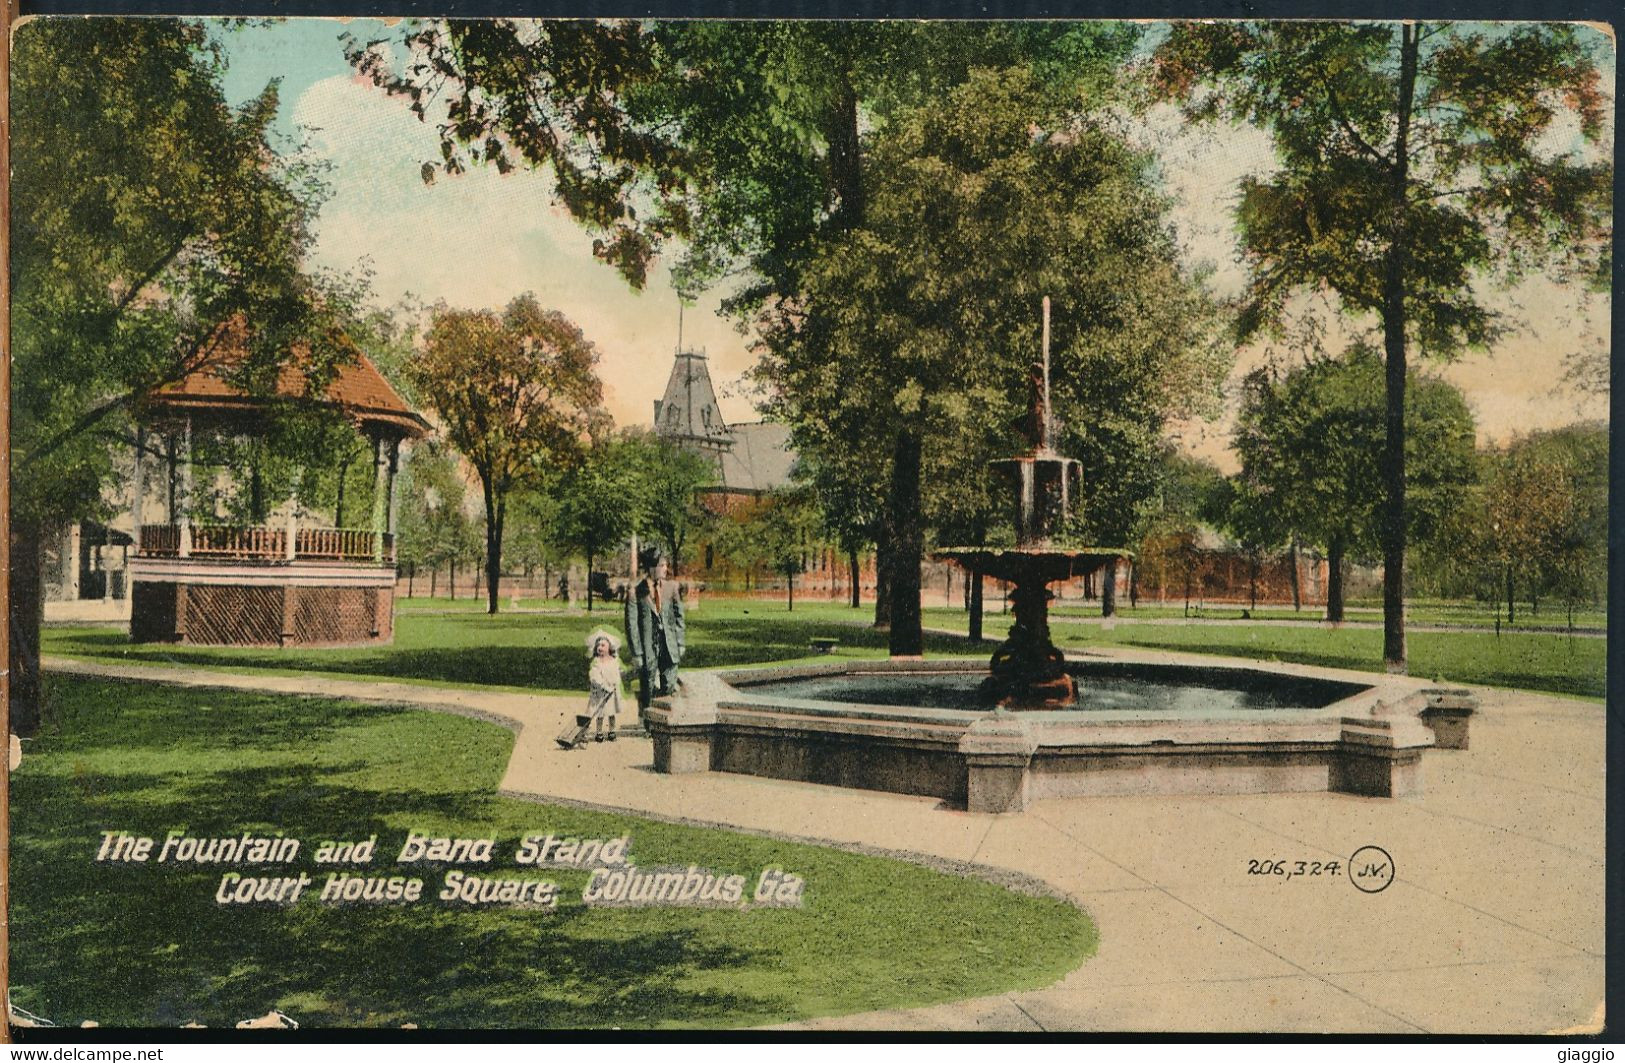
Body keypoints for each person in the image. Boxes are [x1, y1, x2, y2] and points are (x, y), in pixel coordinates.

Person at [624, 545, 684, 715]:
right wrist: (636, 653)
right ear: (652, 567)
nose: (666, 569)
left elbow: (679, 617)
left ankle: (665, 722)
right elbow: (632, 625)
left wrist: (680, 642)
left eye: (666, 565)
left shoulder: (672, 588)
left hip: (668, 645)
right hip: (648, 647)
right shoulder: (636, 592)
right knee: (648, 686)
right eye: (662, 565)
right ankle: (648, 723)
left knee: (670, 684)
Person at [556, 629, 625, 749]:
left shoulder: (614, 662)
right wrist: (603, 686)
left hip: (611, 694)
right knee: (599, 713)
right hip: (600, 693)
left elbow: (616, 675)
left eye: (603, 645)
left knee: (611, 713)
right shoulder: (597, 663)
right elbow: (595, 677)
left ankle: (611, 731)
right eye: (598, 645)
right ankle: (599, 732)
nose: (600, 647)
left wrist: (614, 684)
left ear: (610, 647)